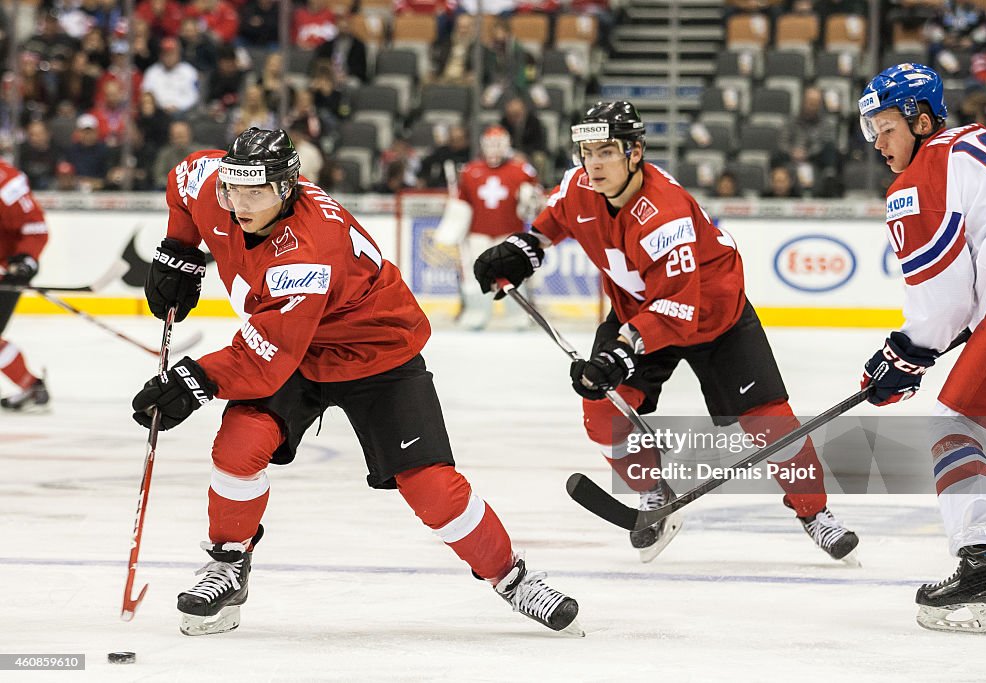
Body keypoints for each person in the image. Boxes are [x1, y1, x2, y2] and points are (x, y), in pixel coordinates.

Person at [129, 127, 581, 637]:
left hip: (375, 352)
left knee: (431, 489)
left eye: (255, 192)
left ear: (287, 188)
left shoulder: (307, 251)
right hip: (294, 346)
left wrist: (195, 378)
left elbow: (268, 358)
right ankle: (229, 563)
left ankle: (512, 577)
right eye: (233, 188)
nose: (239, 204)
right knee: (238, 448)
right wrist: (178, 248)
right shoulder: (218, 186)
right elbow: (182, 178)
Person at [473, 102, 860, 562]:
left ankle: (814, 513)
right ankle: (655, 491)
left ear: (634, 152)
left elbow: (677, 309)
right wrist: (523, 250)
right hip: (640, 310)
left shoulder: (663, 214)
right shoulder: (579, 186)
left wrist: (618, 353)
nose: (593, 163)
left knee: (770, 422)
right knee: (601, 412)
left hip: (714, 316)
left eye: (606, 151)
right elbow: (554, 221)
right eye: (586, 151)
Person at [857, 63, 986, 633]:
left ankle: (976, 564)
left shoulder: (923, 175)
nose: (877, 142)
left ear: (920, 120)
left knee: (955, 425)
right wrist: (918, 348)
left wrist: (903, 354)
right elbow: (972, 289)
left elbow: (944, 299)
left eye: (885, 126)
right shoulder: (978, 142)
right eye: (870, 130)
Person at [452, 125, 544, 331]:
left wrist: (531, 200)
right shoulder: (469, 171)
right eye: (490, 144)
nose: (494, 148)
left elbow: (536, 200)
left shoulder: (522, 170)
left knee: (514, 275)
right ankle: (476, 314)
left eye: (498, 143)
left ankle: (518, 316)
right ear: (483, 145)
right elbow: (462, 203)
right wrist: (453, 223)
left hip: (509, 233)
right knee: (476, 276)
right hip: (477, 234)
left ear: (507, 144)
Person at [0, 160, 50, 411]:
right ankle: (32, 387)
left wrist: (25, 259)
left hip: (5, 274)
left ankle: (31, 386)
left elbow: (35, 229)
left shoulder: (5, 181)